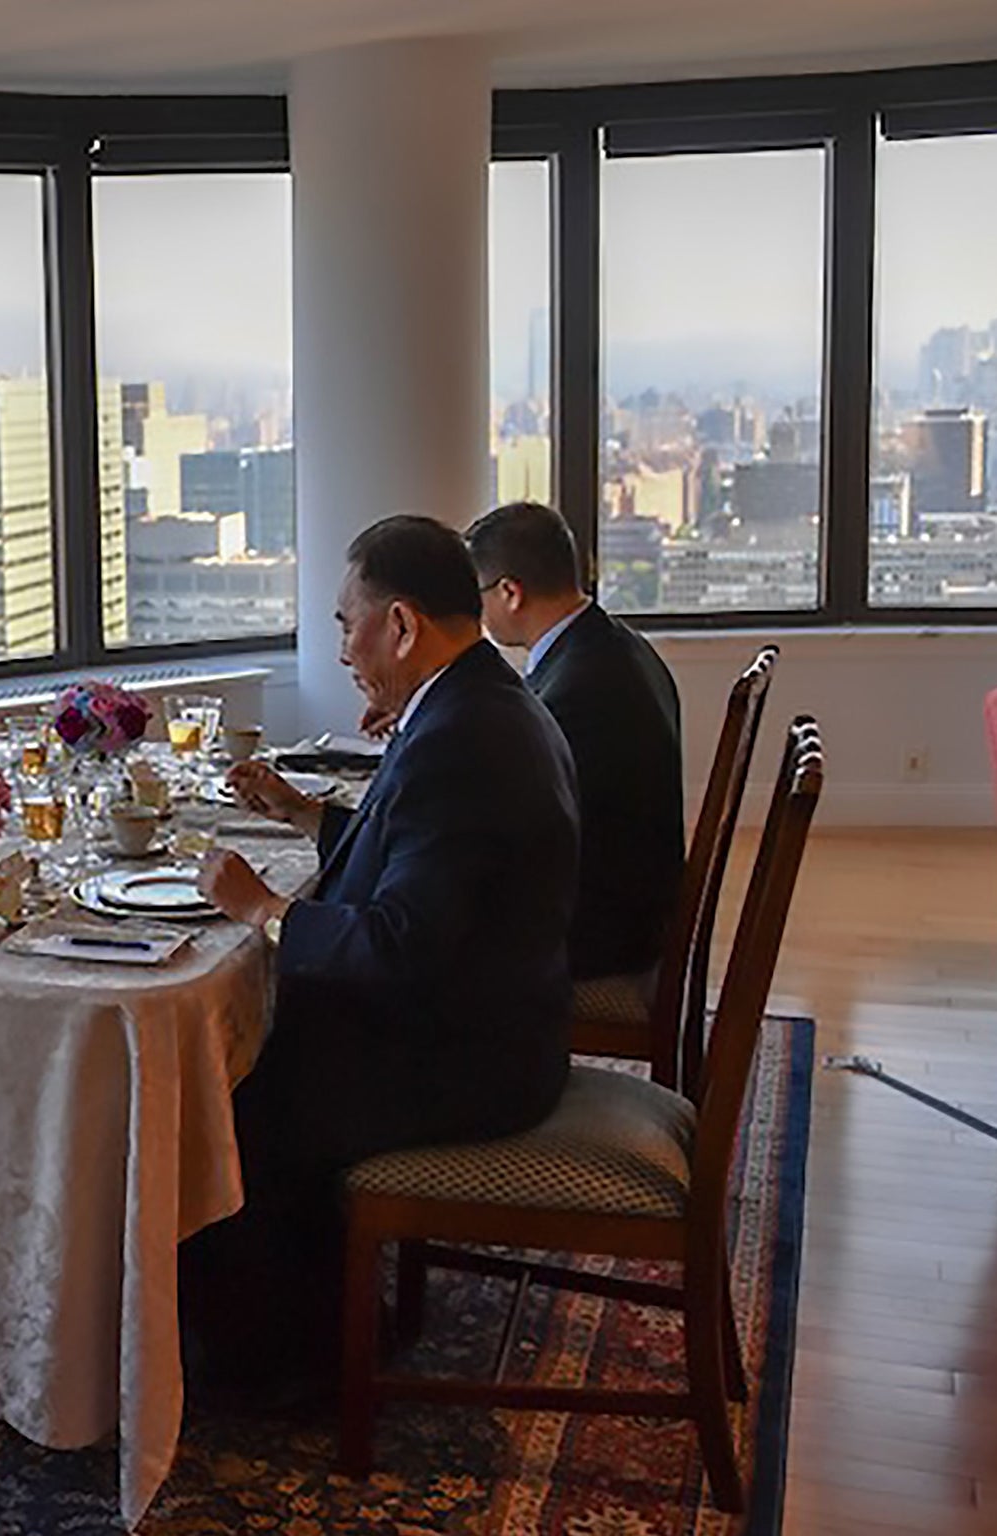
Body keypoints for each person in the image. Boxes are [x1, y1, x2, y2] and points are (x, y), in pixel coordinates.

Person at [186, 514, 579, 1390]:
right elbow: (416, 862)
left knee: (221, 1091)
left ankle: (280, 1370)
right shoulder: (478, 701)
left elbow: (402, 941)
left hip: (467, 1060)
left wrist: (265, 910)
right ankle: (300, 1324)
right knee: (240, 1047)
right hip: (493, 1017)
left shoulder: (462, 740)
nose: (338, 650)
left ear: (399, 625)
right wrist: (304, 815)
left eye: (342, 623)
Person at [465, 500, 683, 981]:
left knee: (425, 934)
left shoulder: (578, 688)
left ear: (509, 593)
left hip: (600, 935)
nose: (475, 612)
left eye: (475, 594)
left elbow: (512, 824)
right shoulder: (614, 645)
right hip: (635, 906)